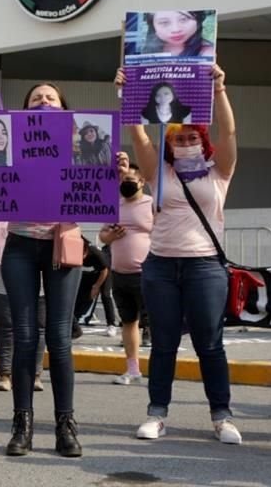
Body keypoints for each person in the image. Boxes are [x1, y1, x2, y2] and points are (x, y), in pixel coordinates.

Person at [116, 63, 243, 445]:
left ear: (202, 140)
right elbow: (138, 135)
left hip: (205, 265)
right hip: (160, 266)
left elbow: (230, 132)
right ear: (169, 143)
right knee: (165, 343)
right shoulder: (158, 173)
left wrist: (219, 89)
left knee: (209, 344)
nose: (184, 142)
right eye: (177, 137)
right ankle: (157, 414)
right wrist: (128, 94)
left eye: (191, 136)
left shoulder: (218, 171)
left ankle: (221, 416)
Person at [0, 82, 83, 458]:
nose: (44, 101)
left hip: (62, 244)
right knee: (26, 336)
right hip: (20, 245)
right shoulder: (10, 146)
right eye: (36, 98)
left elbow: (96, 193)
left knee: (60, 340)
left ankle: (65, 426)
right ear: (25, 111)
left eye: (50, 98)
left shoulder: (83, 145)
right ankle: (22, 423)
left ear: (64, 109)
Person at [99, 162, 153, 385]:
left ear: (141, 181)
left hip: (146, 273)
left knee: (156, 322)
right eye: (122, 181)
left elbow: (163, 232)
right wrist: (111, 236)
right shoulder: (114, 205)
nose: (125, 184)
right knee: (128, 322)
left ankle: (160, 369)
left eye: (130, 180)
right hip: (120, 273)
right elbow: (102, 235)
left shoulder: (152, 204)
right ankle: (133, 369)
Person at [0, 222, 47, 392]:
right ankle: (5, 374)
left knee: (39, 327)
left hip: (40, 264)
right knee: (5, 326)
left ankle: (35, 374)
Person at [72, 239, 112, 335]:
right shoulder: (74, 253)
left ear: (86, 251)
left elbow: (104, 271)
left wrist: (96, 286)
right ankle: (74, 320)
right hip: (93, 272)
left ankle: (111, 324)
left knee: (105, 294)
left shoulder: (96, 253)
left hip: (106, 272)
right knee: (80, 292)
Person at [140, 10, 214, 58]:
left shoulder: (207, 52)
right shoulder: (147, 52)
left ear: (198, 20)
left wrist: (217, 82)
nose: (176, 29)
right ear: (153, 27)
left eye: (183, 19)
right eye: (164, 22)